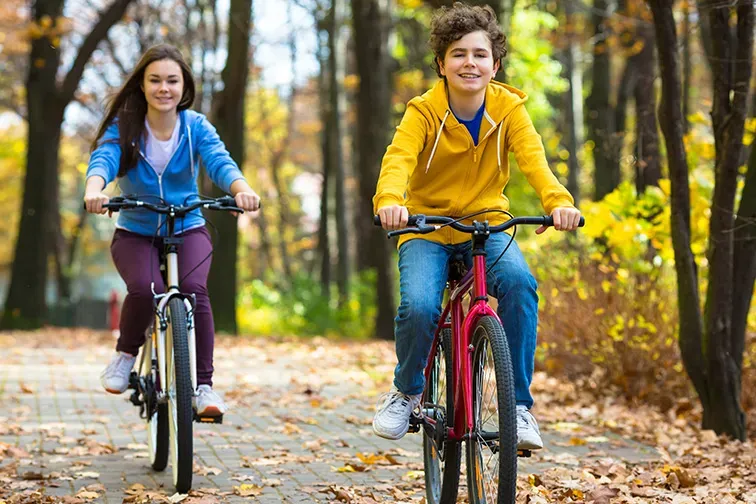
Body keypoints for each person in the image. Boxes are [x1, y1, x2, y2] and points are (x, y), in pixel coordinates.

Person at [372, 2, 581, 449]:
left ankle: (519, 408)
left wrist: (559, 202)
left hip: (488, 225)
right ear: (442, 65)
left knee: (521, 285)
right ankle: (407, 391)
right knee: (421, 306)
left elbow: (535, 162)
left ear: (495, 64)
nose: (470, 62)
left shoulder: (510, 110)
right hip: (428, 227)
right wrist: (391, 200)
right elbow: (399, 160)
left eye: (480, 54)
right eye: (459, 54)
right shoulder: (423, 111)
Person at [83, 44, 260, 417]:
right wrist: (94, 189)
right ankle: (125, 355)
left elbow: (218, 160)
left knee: (195, 291)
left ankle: (204, 388)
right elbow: (105, 157)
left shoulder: (195, 126)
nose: (164, 88)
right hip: (136, 230)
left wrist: (241, 191)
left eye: (172, 81)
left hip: (188, 225)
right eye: (155, 80)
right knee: (148, 290)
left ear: (184, 86)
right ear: (143, 85)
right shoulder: (126, 126)